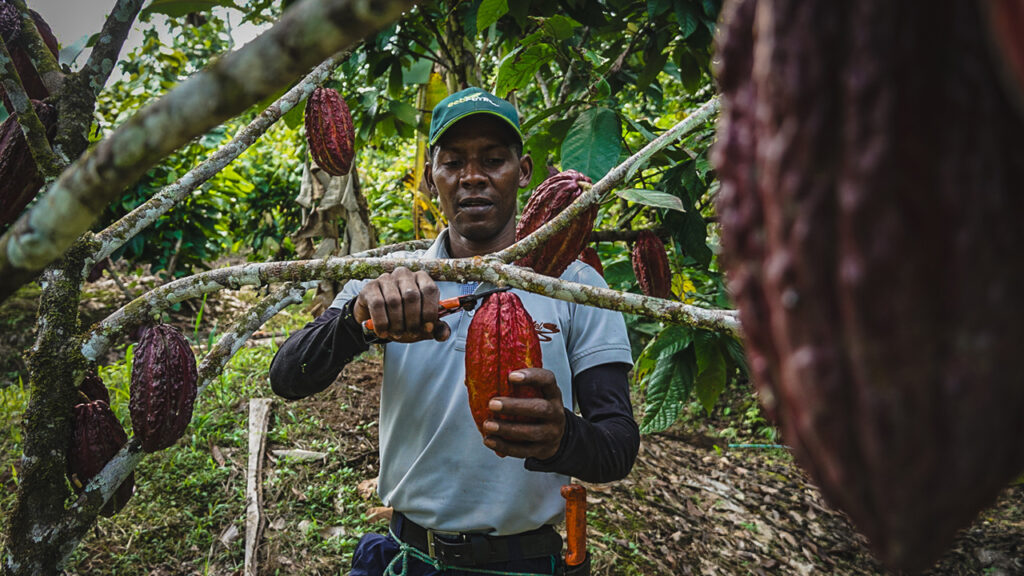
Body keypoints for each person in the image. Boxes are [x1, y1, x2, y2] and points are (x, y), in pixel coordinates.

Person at [269, 87, 639, 576]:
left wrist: (562, 436)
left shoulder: (576, 284)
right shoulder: (390, 278)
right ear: (431, 176)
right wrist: (358, 322)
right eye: (453, 162)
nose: (473, 178)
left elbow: (617, 446)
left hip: (527, 562)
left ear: (523, 170)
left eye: (493, 159)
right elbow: (287, 376)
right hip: (410, 556)